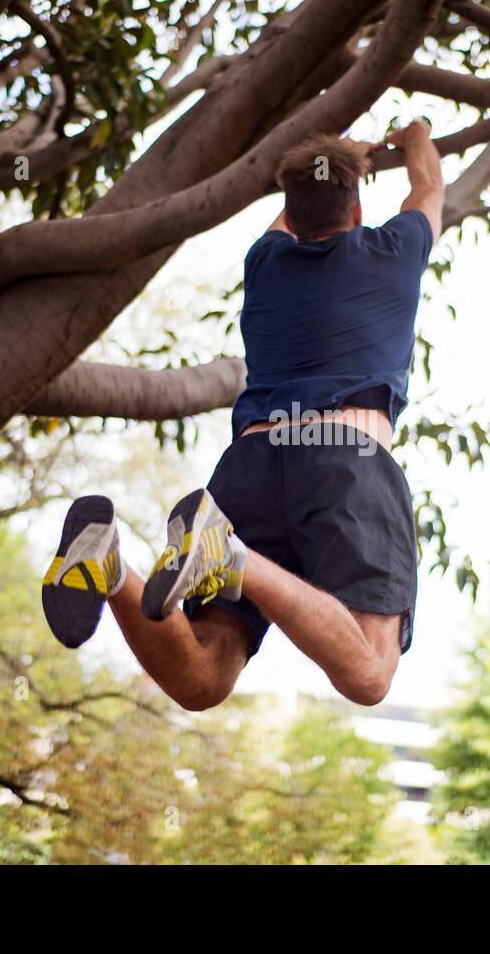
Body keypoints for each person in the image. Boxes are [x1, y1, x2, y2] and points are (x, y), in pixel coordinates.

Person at [41, 120, 444, 710]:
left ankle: (108, 562)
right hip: (344, 459)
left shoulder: (267, 261)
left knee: (203, 678)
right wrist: (414, 134)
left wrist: (338, 158)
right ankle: (224, 553)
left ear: (291, 210)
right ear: (357, 212)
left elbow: (297, 211)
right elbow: (428, 188)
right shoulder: (394, 251)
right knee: (368, 673)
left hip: (250, 465)